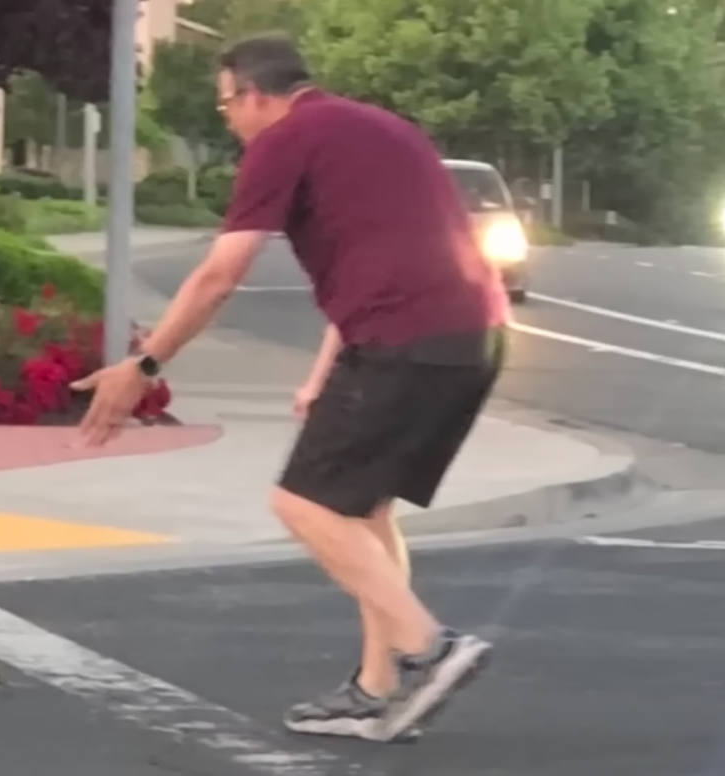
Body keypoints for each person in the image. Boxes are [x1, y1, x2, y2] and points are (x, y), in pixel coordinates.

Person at [70, 33, 506, 743]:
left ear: (252, 93)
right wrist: (323, 372)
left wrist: (144, 366)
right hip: (471, 338)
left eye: (224, 105)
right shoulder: (385, 129)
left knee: (302, 503)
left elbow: (220, 274)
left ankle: (432, 649)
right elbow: (393, 255)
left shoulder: (285, 138)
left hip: (407, 341)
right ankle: (377, 690)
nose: (228, 121)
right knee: (362, 511)